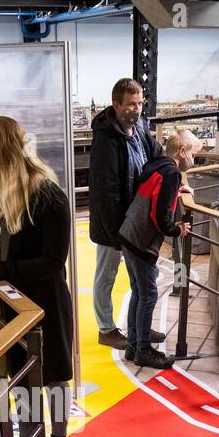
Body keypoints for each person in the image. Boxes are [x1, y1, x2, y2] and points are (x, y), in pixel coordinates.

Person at [0, 115, 74, 437]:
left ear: (3, 151)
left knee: (54, 375)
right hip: (7, 307)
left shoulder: (47, 194)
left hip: (44, 305)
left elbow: (52, 261)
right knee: (20, 377)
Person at [88, 78, 163, 351]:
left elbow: (156, 156)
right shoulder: (106, 140)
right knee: (106, 276)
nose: (137, 109)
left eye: (140, 103)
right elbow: (105, 194)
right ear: (116, 104)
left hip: (138, 221)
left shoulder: (141, 128)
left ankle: (138, 327)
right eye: (131, 104)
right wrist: (117, 235)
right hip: (114, 225)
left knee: (140, 277)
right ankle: (106, 329)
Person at [118, 129, 199, 370]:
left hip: (129, 233)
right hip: (142, 240)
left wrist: (176, 190)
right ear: (182, 151)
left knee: (139, 292)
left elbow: (155, 193)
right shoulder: (172, 172)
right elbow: (159, 215)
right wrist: (177, 230)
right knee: (148, 294)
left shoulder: (157, 165)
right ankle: (143, 350)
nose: (193, 161)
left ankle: (133, 346)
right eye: (193, 154)